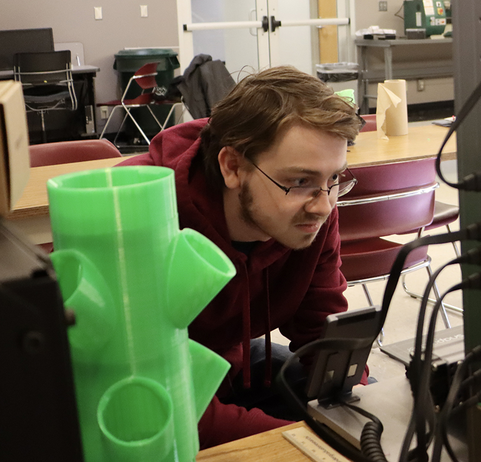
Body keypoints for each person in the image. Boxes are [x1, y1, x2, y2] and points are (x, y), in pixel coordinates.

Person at [124, 66, 361, 447]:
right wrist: (312, 443)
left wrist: (356, 410)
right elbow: (159, 407)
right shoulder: (137, 213)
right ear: (232, 166)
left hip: (236, 363)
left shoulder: (314, 208)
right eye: (301, 182)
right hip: (150, 389)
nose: (323, 205)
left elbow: (320, 329)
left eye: (334, 179)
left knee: (368, 415)